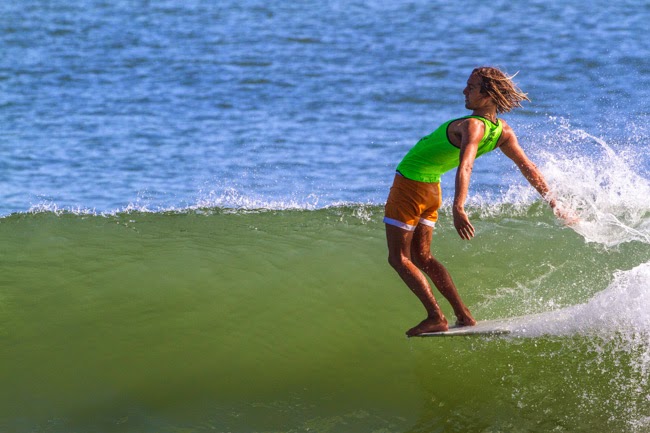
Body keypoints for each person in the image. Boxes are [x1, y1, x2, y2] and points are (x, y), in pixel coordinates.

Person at [384, 66, 564, 337]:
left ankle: (436, 316)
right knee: (423, 257)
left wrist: (459, 206)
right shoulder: (501, 130)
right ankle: (464, 315)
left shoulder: (472, 125)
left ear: (489, 94)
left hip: (410, 187)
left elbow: (465, 165)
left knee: (399, 258)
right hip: (431, 189)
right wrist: (555, 203)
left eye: (471, 87)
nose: (464, 91)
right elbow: (529, 168)